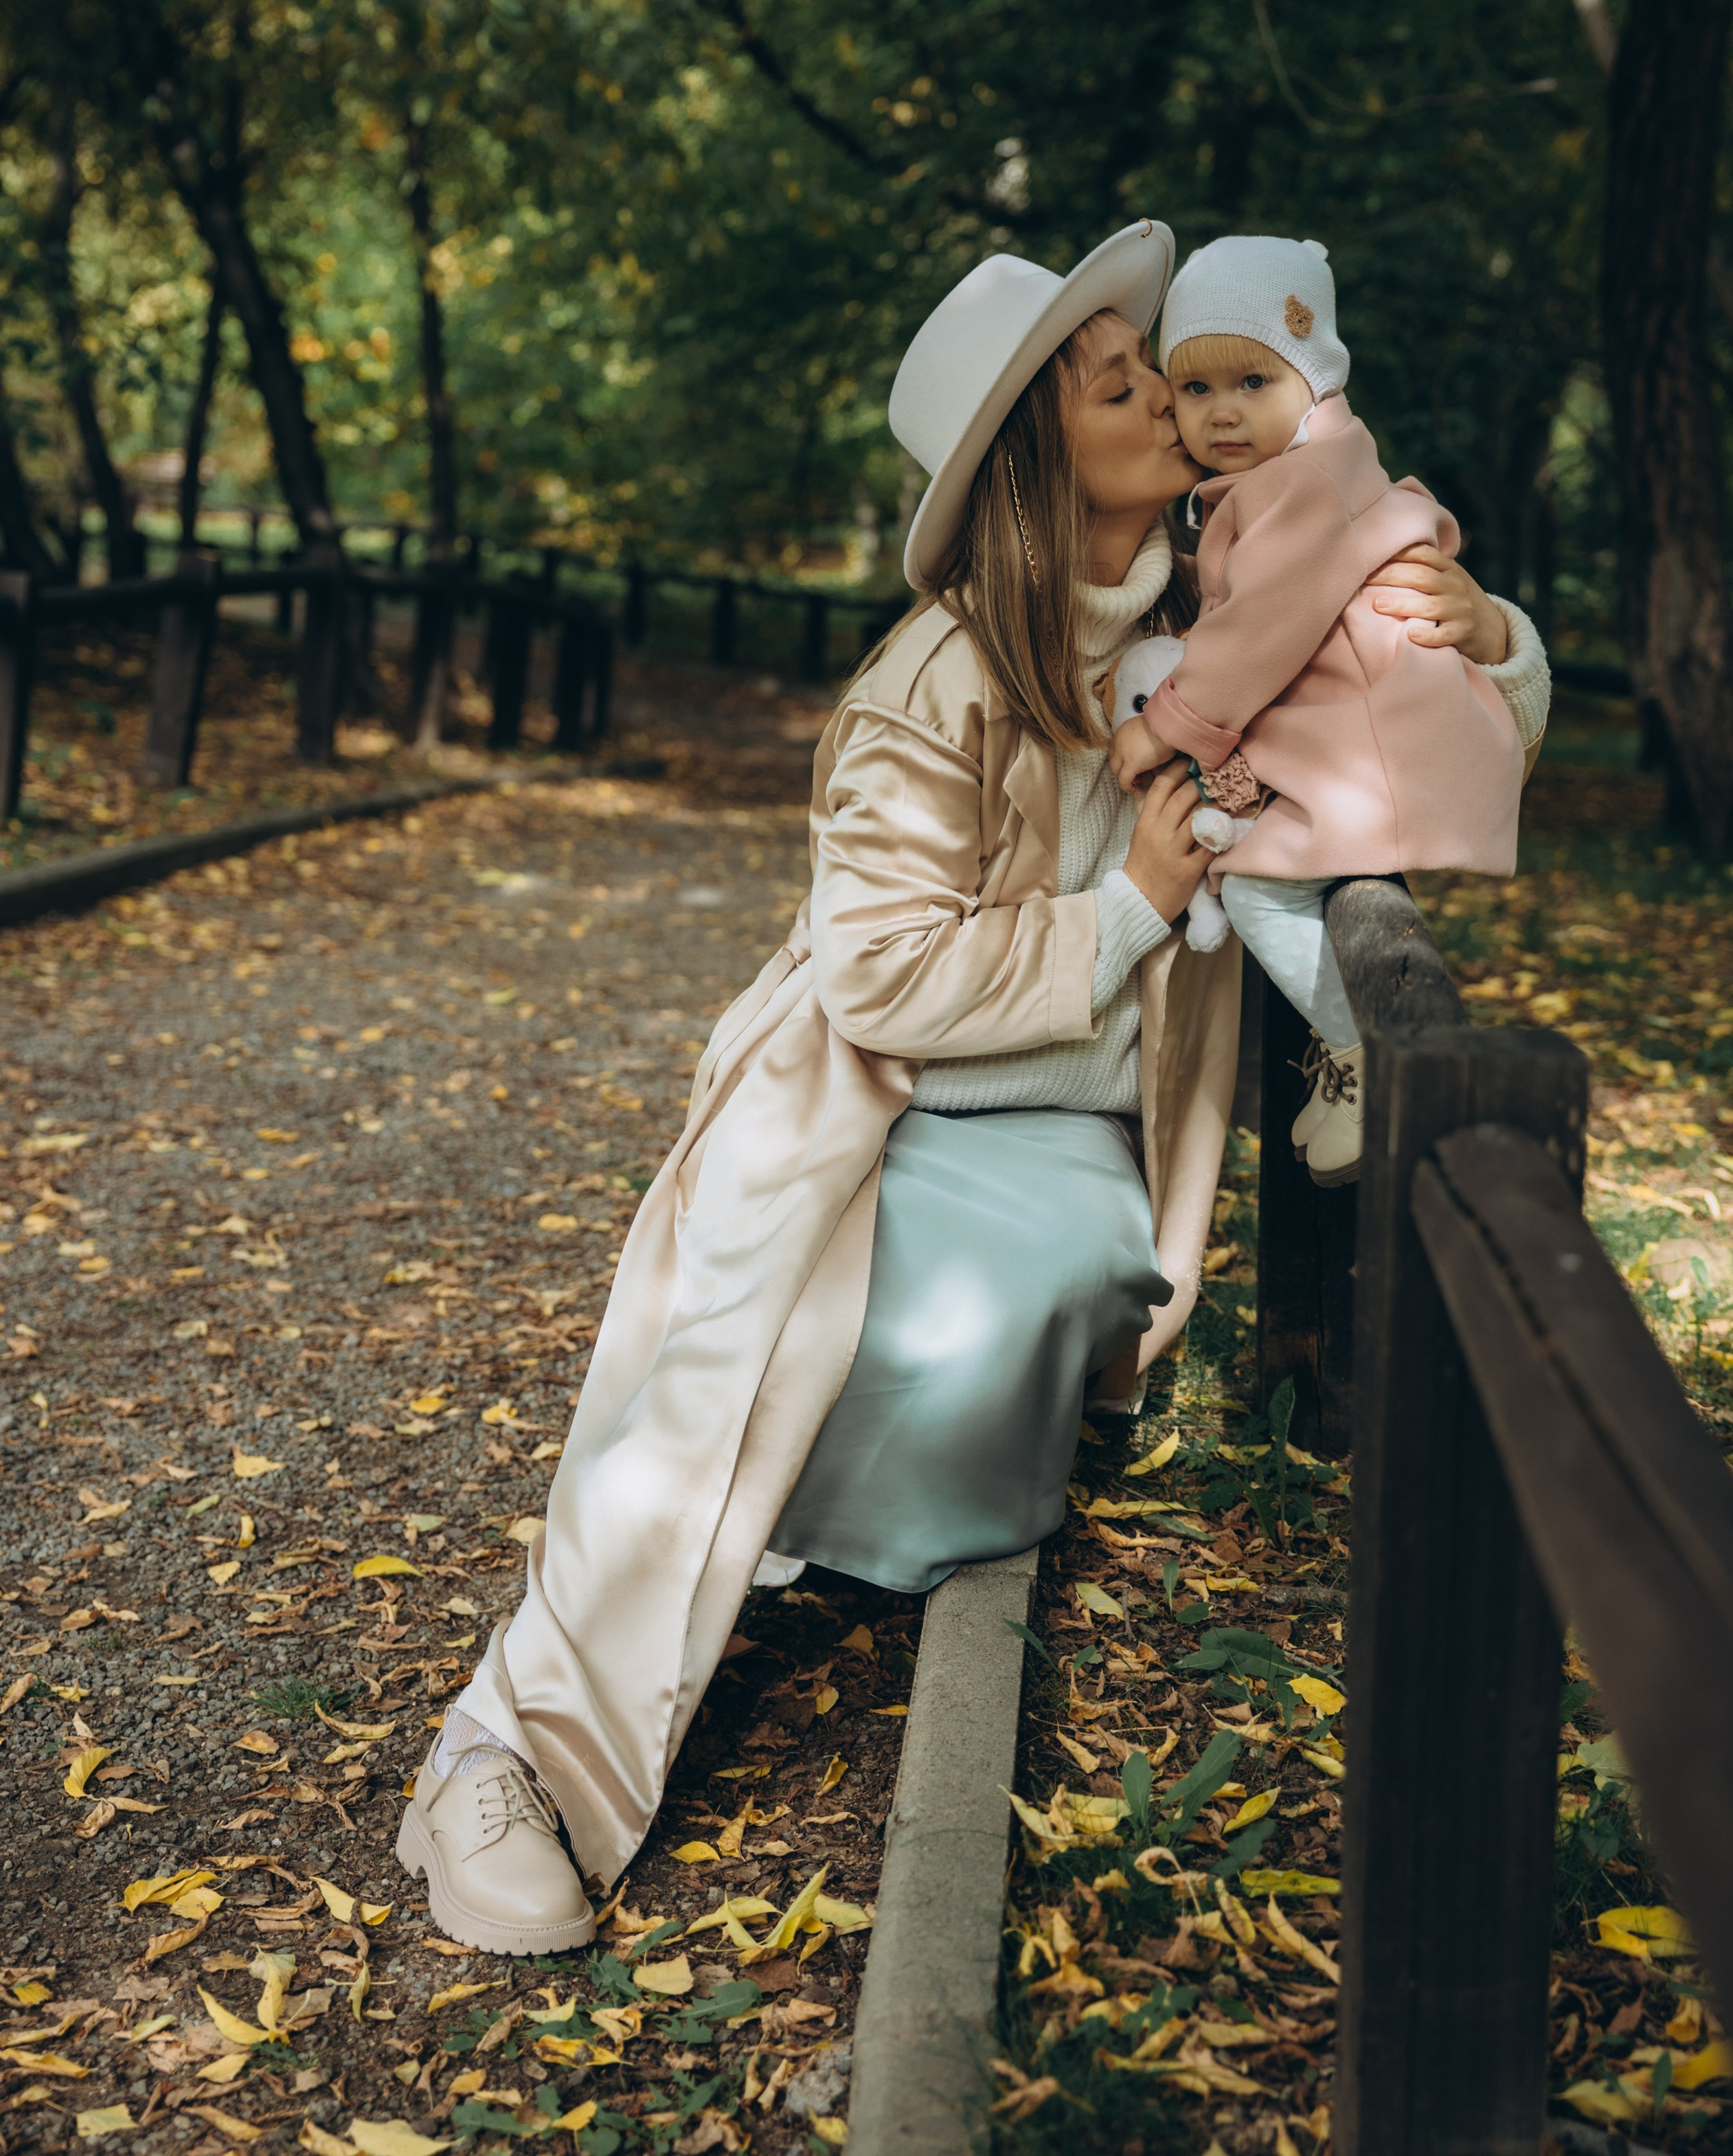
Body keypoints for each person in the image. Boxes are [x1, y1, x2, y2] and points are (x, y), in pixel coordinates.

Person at [396, 221, 1550, 1955]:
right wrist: (1129, 906)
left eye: (1157, 371)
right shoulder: (933, 681)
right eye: (1117, 386)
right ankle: (505, 1743)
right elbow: (876, 981)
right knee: (746, 1358)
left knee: (1035, 1305)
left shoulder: (1221, 608)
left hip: (1069, 1129)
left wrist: (1494, 631)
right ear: (1033, 456)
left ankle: (830, 1529)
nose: (1164, 398)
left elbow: (1420, 722)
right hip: (872, 1102)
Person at [1109, 236, 1539, 1187]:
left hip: (1375, 750)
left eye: (1253, 381)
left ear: (1317, 377)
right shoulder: (1304, 470)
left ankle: (1364, 1057)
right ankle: (1353, 1059)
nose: (1222, 411)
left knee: (1259, 891)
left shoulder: (1302, 484)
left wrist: (1163, 725)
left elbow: (1254, 632)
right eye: (1195, 388)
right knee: (1279, 890)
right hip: (1366, 740)